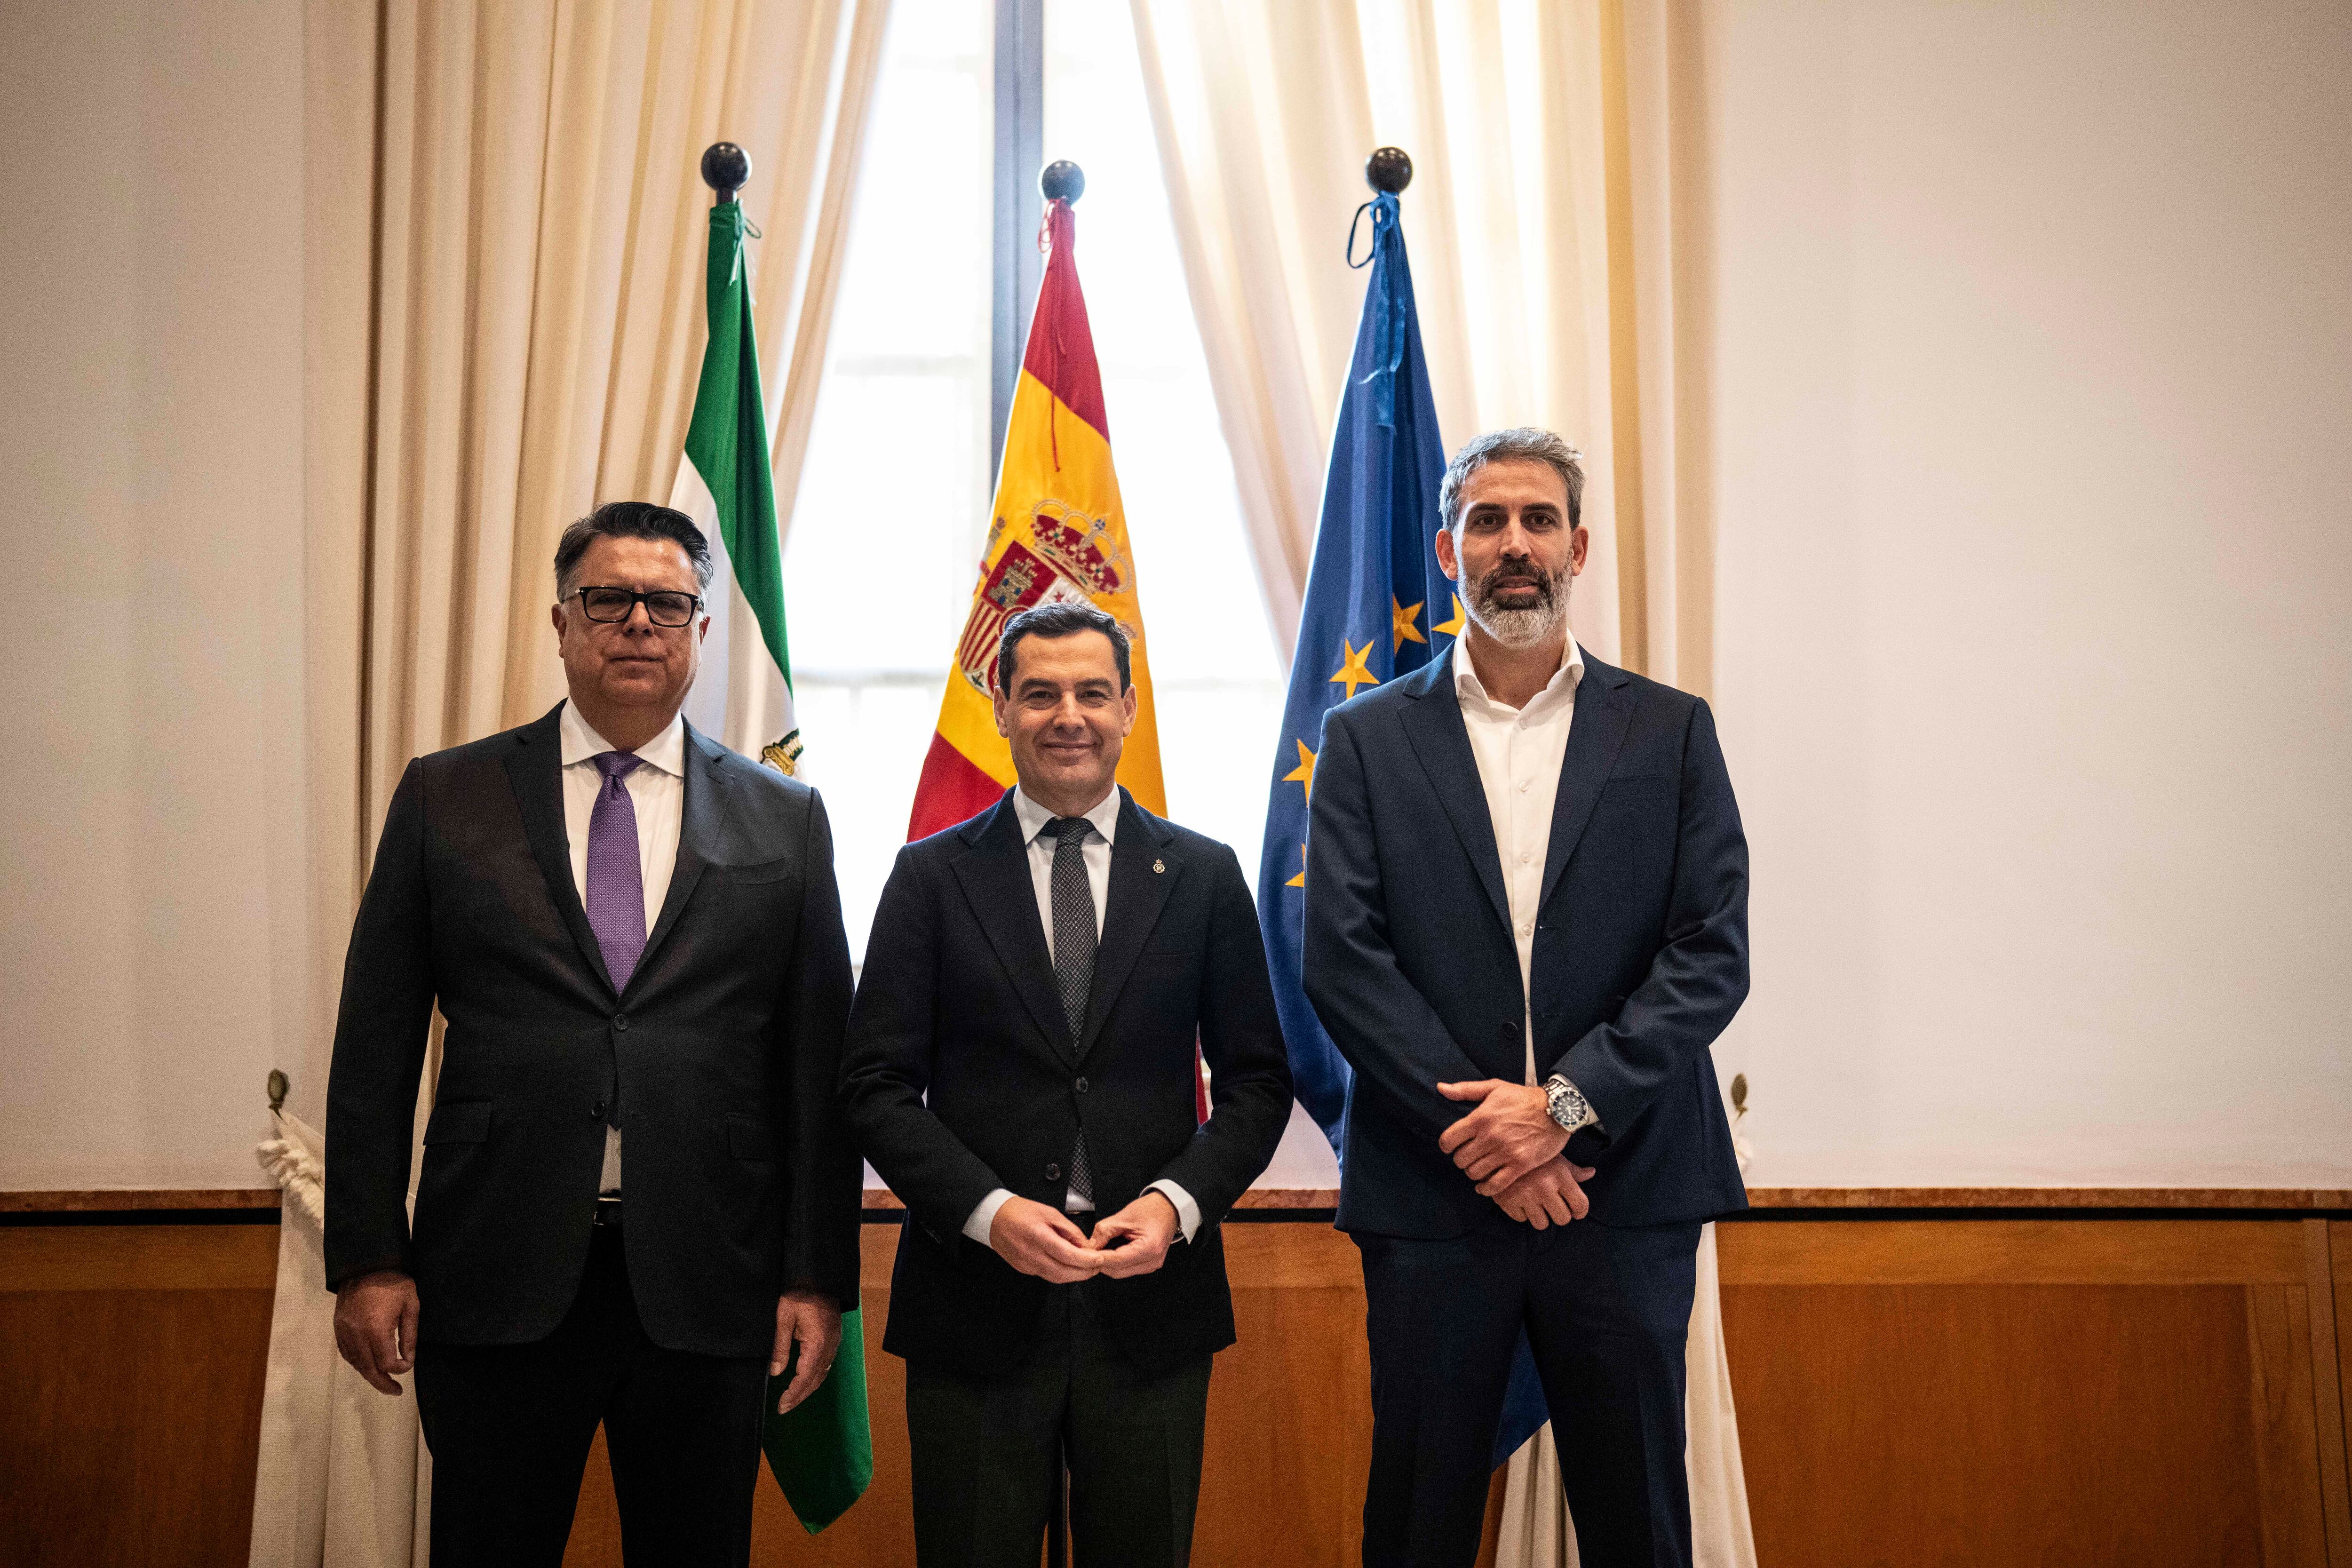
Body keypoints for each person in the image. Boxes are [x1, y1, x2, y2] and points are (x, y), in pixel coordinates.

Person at [324, 501, 861, 1567]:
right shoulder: (448, 793)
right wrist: (370, 1255)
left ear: (702, 631)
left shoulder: (782, 816)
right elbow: (374, 1044)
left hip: (710, 1272)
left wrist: (815, 1275)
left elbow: (818, 1067)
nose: (637, 624)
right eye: (606, 599)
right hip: (497, 1268)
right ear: (562, 622)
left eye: (667, 603)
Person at [1303, 429, 1750, 1568]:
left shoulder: (1670, 729)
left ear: (1579, 546)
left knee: (1638, 1517)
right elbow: (1344, 958)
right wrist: (1489, 1133)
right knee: (1417, 1518)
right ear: (1449, 545)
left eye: (1538, 520)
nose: (1514, 544)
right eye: (1488, 519)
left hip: (1626, 1184)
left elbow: (1709, 952)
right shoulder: (1363, 738)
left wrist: (1557, 1106)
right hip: (1431, 1192)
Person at [841, 601, 1294, 1568]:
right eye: (1039, 692)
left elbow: (1257, 1081)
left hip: (1151, 1306)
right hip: (974, 1304)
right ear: (999, 706)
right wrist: (988, 1208)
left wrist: (1175, 1206)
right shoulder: (928, 877)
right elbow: (874, 1083)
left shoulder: (1205, 875)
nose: (1068, 715)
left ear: (1129, 708)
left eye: (1093, 692)